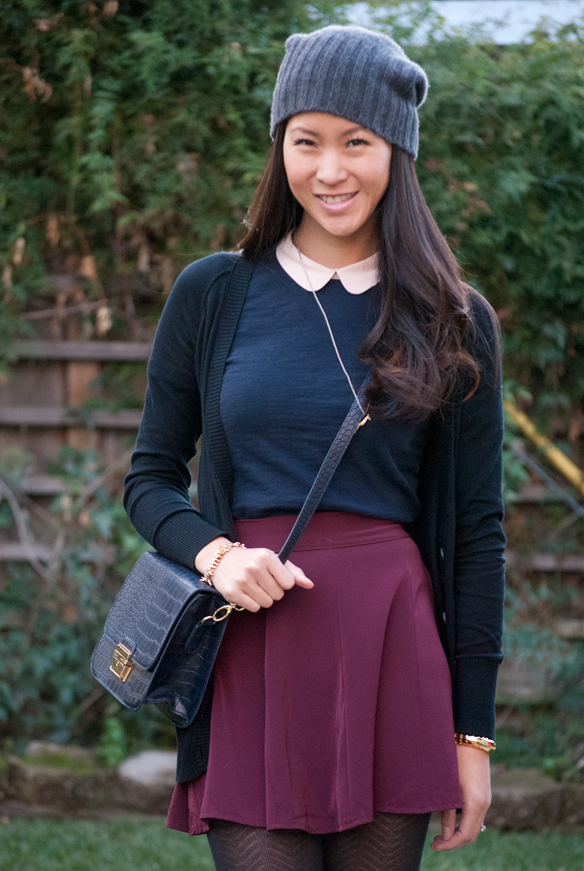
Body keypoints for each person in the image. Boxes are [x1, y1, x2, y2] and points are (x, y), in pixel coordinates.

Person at [124, 24, 506, 871]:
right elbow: (149, 478)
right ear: (280, 146)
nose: (329, 170)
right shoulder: (214, 293)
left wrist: (471, 733)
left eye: (356, 143)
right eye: (307, 141)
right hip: (254, 643)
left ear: (395, 151)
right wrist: (217, 554)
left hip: (389, 646)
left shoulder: (455, 318)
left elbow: (478, 535)